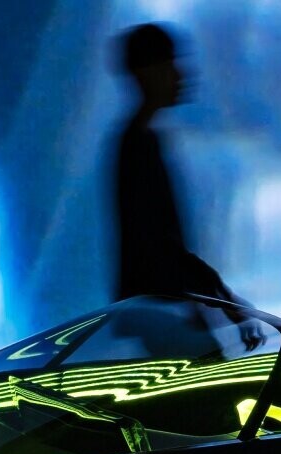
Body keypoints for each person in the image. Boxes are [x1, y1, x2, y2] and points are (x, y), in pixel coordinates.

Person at [109, 24, 264, 352]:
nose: (181, 75)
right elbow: (160, 244)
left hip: (163, 310)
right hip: (164, 312)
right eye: (170, 64)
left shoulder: (137, 141)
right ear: (146, 73)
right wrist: (225, 302)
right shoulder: (139, 146)